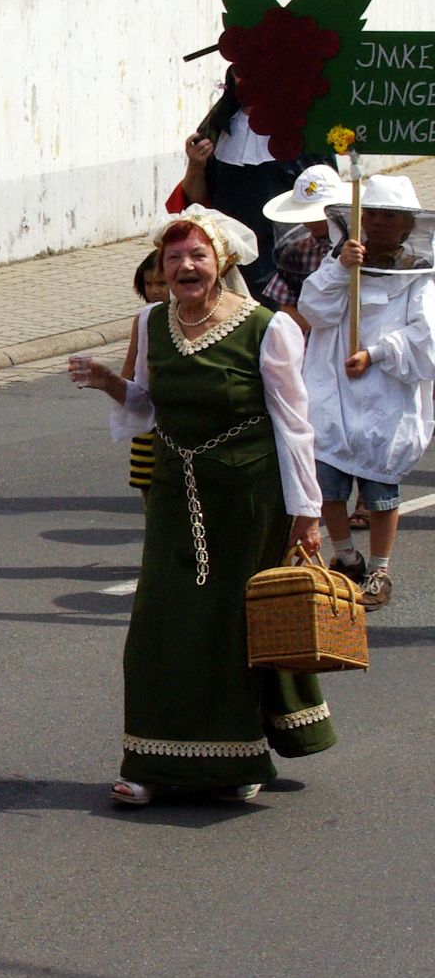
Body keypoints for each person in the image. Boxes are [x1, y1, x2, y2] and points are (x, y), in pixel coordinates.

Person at [68, 206, 333, 805]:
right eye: (173, 258)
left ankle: (236, 761)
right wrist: (112, 383)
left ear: (223, 262)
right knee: (158, 626)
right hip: (173, 494)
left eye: (197, 256)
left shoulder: (268, 328)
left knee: (228, 630)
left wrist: (308, 512)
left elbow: (294, 426)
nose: (185, 267)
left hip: (248, 496)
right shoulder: (152, 320)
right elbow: (145, 409)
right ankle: (148, 763)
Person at [295, 175, 435, 610]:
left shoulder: (419, 278)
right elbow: (313, 309)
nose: (376, 223)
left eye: (387, 216)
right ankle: (345, 556)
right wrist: (340, 268)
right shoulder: (336, 264)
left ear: (406, 226)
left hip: (384, 395)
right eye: (369, 214)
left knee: (380, 488)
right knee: (328, 482)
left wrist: (375, 354)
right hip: (332, 386)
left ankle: (379, 568)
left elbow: (426, 339)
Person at [173, 78, 327, 297]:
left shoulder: (301, 127)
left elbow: (322, 197)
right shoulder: (218, 126)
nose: (244, 79)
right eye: (238, 72)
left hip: (282, 254)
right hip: (229, 252)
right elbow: (199, 201)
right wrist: (195, 165)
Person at [260, 164, 348, 331]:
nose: (310, 223)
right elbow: (285, 304)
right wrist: (319, 332)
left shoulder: (361, 246)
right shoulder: (296, 252)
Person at [120, 251, 169, 498]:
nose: (155, 290)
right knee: (145, 478)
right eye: (149, 284)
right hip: (147, 410)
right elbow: (131, 361)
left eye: (161, 283)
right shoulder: (144, 318)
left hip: (173, 414)